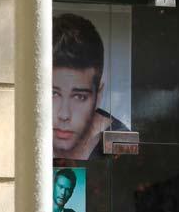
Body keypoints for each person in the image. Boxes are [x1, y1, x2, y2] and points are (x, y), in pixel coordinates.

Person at [52, 12, 130, 161]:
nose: (64, 114)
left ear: (99, 94)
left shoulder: (119, 144)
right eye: (53, 94)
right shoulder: (25, 134)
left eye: (79, 96)